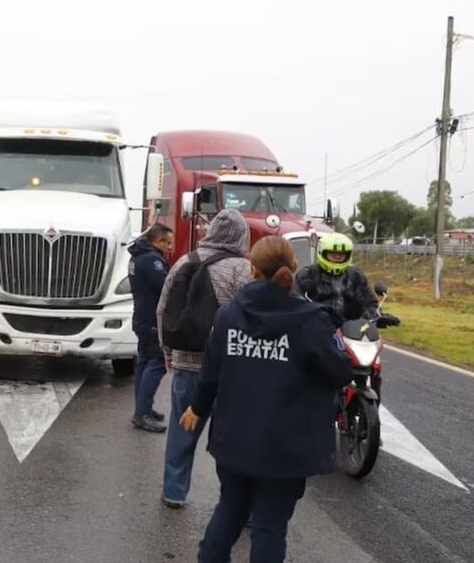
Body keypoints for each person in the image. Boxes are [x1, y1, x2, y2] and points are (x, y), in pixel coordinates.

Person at [181, 236, 351, 562]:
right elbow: (340, 371)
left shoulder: (228, 317)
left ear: (252, 270)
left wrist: (197, 409)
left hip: (234, 441)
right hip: (286, 446)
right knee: (269, 525)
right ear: (295, 268)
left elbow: (210, 376)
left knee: (230, 509)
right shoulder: (311, 321)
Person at [157, 208, 252, 509]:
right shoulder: (243, 269)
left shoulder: (184, 262)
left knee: (182, 429)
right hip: (230, 370)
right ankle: (236, 501)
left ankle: (174, 491)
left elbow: (163, 311)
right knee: (235, 437)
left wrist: (168, 353)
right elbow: (252, 317)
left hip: (186, 362)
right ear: (241, 236)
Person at [295, 233, 399, 327]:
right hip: (317, 332)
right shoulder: (307, 275)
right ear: (322, 253)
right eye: (333, 255)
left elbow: (369, 303)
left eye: (341, 255)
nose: (337, 258)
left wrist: (378, 317)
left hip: (352, 333)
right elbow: (295, 303)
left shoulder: (356, 276)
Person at [128, 223, 174, 433]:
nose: (171, 248)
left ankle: (143, 407)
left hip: (142, 318)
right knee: (157, 363)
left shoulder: (138, 256)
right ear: (158, 241)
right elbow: (167, 287)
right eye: (169, 243)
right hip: (152, 321)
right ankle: (142, 414)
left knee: (145, 362)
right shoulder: (152, 261)